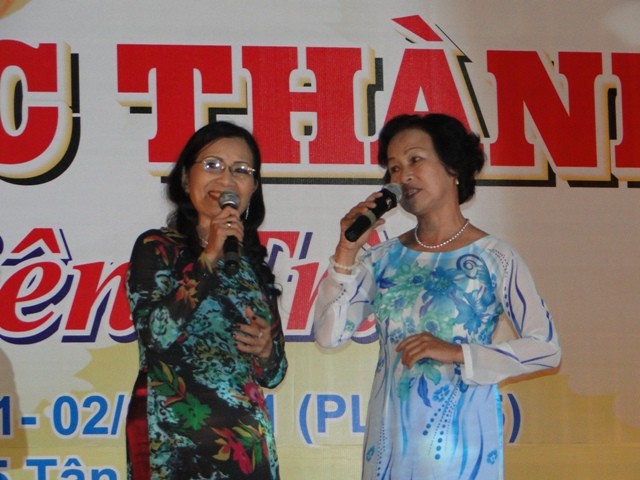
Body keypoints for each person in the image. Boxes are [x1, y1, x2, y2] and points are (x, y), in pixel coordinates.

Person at [313, 113, 561, 479]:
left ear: (453, 166)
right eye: (394, 168)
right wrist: (347, 252)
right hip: (390, 446)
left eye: (415, 159)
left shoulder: (494, 257)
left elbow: (546, 348)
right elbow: (328, 336)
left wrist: (458, 353)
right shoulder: (382, 259)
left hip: (464, 447)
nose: (403, 176)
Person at [125, 121, 287, 479]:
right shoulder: (157, 248)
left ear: (253, 188)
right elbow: (155, 336)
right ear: (186, 178)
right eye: (213, 165)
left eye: (241, 170)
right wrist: (209, 257)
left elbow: (275, 374)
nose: (226, 179)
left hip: (244, 441)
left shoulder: (252, 264)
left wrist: (266, 351)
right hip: (172, 438)